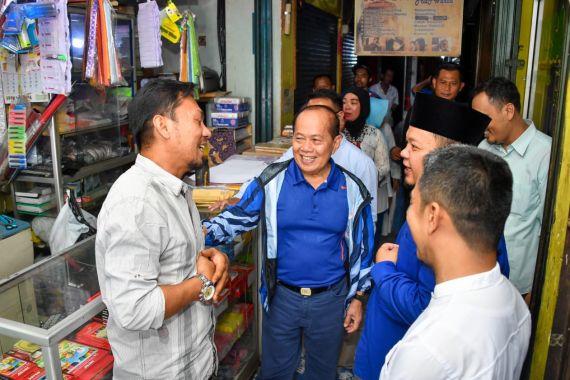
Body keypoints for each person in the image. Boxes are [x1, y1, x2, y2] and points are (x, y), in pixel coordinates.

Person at [204, 105, 375, 379]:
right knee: (275, 372)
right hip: (282, 298)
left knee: (321, 372)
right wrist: (195, 235)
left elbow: (363, 249)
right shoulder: (272, 180)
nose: (306, 148)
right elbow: (237, 217)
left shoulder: (353, 189)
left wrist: (357, 297)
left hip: (330, 300)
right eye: (299, 138)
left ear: (336, 142)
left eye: (316, 140)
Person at [354, 93, 511, 380]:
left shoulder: (448, 225)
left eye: (413, 146)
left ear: (446, 161)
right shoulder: (438, 205)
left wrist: (384, 269)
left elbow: (429, 308)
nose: (402, 152)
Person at [95, 79, 230, 379]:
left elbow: (182, 263)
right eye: (197, 120)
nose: (207, 131)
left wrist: (212, 260)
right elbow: (134, 309)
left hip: (195, 365)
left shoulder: (178, 189)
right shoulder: (136, 202)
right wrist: (200, 284)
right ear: (163, 126)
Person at [379, 145, 531, 379]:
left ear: (432, 216)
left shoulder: (427, 349)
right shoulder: (514, 302)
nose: (409, 214)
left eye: (412, 204)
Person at [209, 89, 379, 221]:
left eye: (322, 112)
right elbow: (267, 176)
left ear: (340, 118)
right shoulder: (297, 152)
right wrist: (240, 198)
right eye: (309, 112)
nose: (313, 120)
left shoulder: (361, 164)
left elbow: (368, 218)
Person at [473, 77, 552, 301]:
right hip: (482, 277)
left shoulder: (545, 154)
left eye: (485, 117)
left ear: (508, 110)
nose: (481, 126)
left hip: (518, 287)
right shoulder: (483, 148)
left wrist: (535, 290)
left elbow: (547, 231)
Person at [343, 87, 390, 246]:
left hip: (369, 197)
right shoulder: (337, 134)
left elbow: (383, 167)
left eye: (353, 103)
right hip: (342, 198)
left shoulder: (374, 134)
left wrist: (362, 180)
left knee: (367, 241)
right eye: (344, 102)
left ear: (363, 106)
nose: (347, 107)